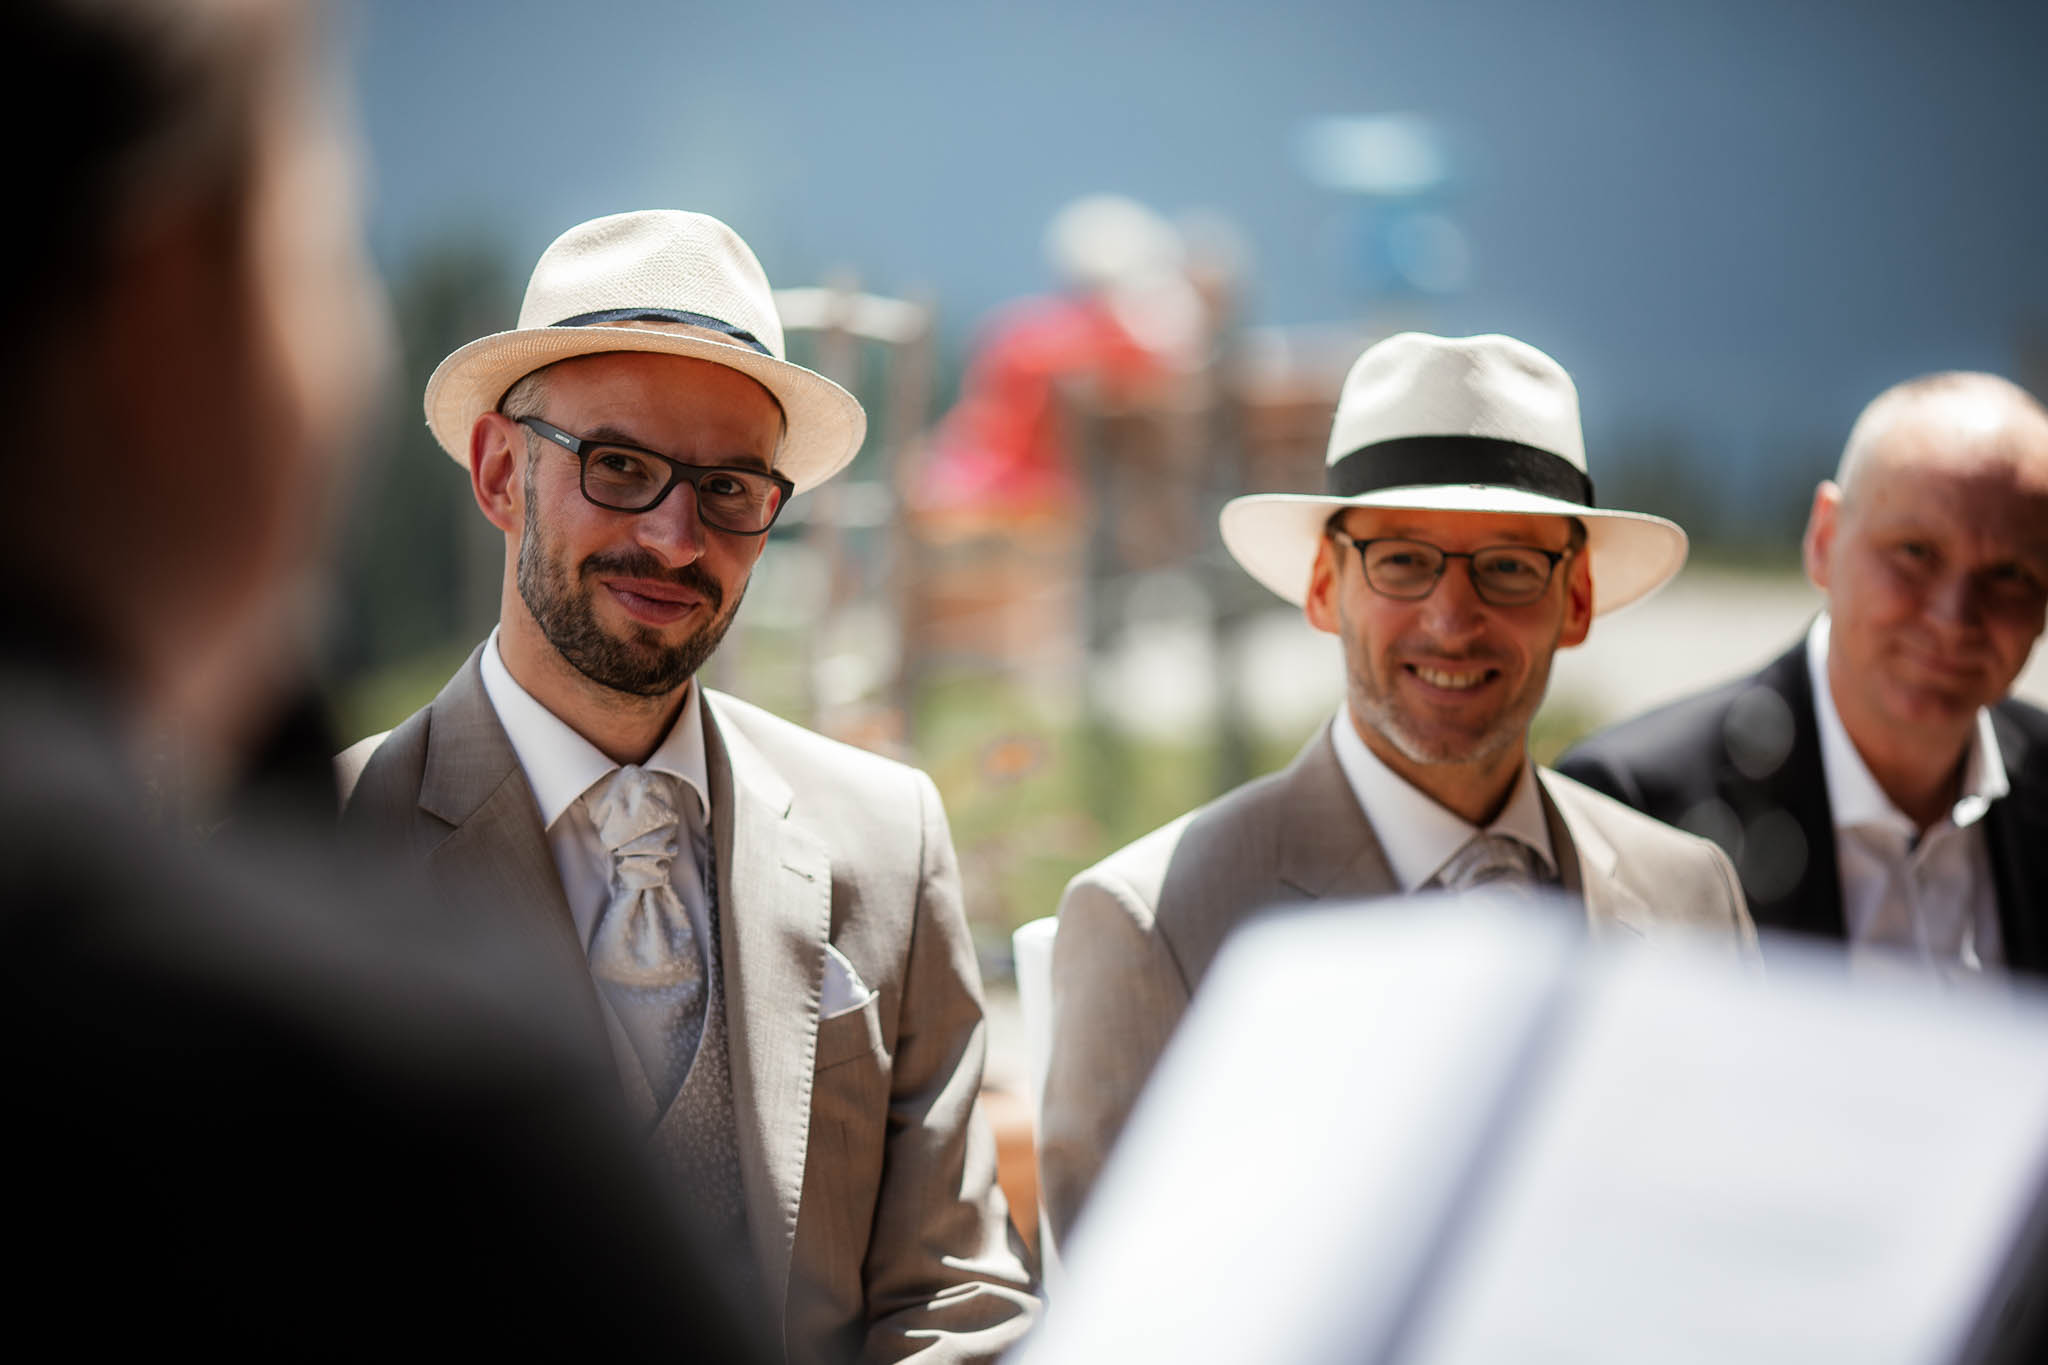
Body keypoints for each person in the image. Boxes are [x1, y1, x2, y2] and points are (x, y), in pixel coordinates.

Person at [1, 0, 770, 1356]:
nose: (673, 531)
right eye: (322, 247)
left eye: (731, 490)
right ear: (166, 289)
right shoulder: (384, 1063)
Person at [337, 209, 1037, 1364]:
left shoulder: (885, 838)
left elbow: (956, 1295)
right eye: (619, 467)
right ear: (501, 471)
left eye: (728, 489)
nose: (674, 537)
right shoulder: (321, 845)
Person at [1038, 331, 1758, 1242]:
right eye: (1404, 560)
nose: (1452, 618)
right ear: (1323, 586)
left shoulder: (1692, 893)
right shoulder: (1159, 923)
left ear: (1573, 600)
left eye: (1507, 565)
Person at [1558, 372, 2048, 978]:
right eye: (1916, 553)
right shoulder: (1632, 807)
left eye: (2009, 576)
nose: (1955, 618)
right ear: (1824, 538)